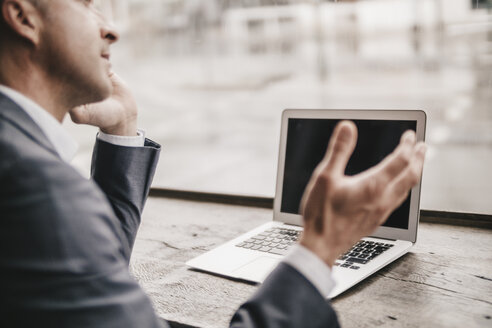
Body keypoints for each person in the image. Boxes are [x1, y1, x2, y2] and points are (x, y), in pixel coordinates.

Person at [0, 0, 427, 327]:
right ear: (22, 15)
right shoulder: (37, 186)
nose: (110, 29)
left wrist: (123, 128)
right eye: (86, 3)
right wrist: (321, 245)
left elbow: (88, 267)